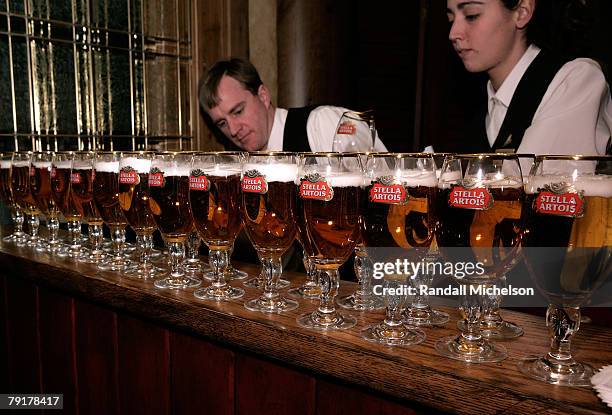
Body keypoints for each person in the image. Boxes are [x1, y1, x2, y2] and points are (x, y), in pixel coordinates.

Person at [443, 0, 611, 155]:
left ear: (522, 12)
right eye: (451, 19)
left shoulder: (574, 82)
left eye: (472, 16)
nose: (453, 33)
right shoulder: (478, 113)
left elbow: (542, 182)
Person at [199, 58, 387, 152]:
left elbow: (385, 186)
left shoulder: (324, 123)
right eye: (222, 123)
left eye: (238, 111)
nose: (232, 130)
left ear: (263, 96)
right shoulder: (241, 170)